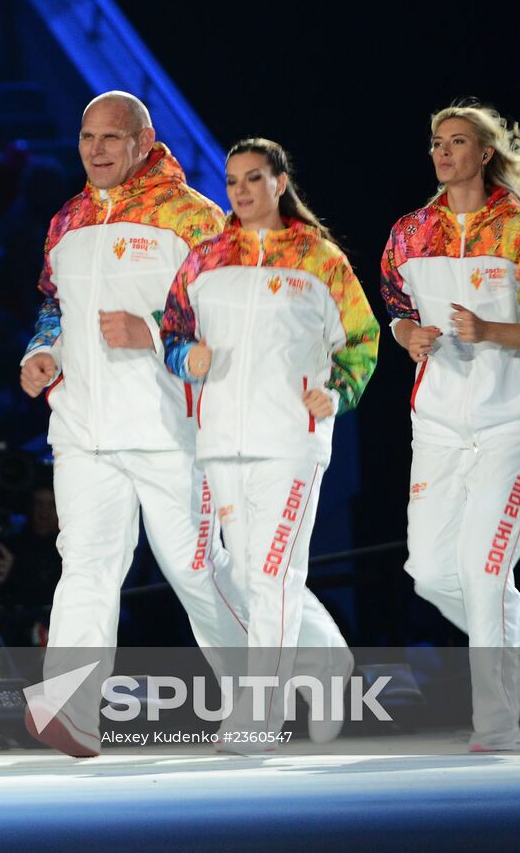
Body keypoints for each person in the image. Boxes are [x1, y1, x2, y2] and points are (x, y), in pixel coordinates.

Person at [17, 91, 247, 757]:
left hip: (169, 427)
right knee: (85, 563)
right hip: (84, 427)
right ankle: (71, 710)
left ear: (145, 142)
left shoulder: (195, 217)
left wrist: (149, 330)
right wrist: (41, 354)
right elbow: (54, 309)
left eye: (112, 138)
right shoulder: (66, 221)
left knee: (195, 568)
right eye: (88, 136)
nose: (97, 149)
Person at [161, 138, 378, 747]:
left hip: (290, 439)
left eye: (254, 178)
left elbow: (361, 342)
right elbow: (171, 333)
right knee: (253, 576)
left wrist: (336, 392)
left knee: (275, 573)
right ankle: (329, 665)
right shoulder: (204, 259)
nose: (241, 191)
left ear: (280, 182)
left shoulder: (319, 260)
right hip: (221, 441)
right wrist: (187, 357)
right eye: (232, 181)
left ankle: (260, 712)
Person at [380, 101, 520, 751]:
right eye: (436, 141)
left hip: (513, 422)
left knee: (482, 567)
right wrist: (410, 334)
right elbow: (396, 309)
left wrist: (490, 330)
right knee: (432, 570)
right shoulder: (411, 231)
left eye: (457, 141)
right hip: (437, 424)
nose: (442, 151)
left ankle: (496, 723)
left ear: (484, 153)